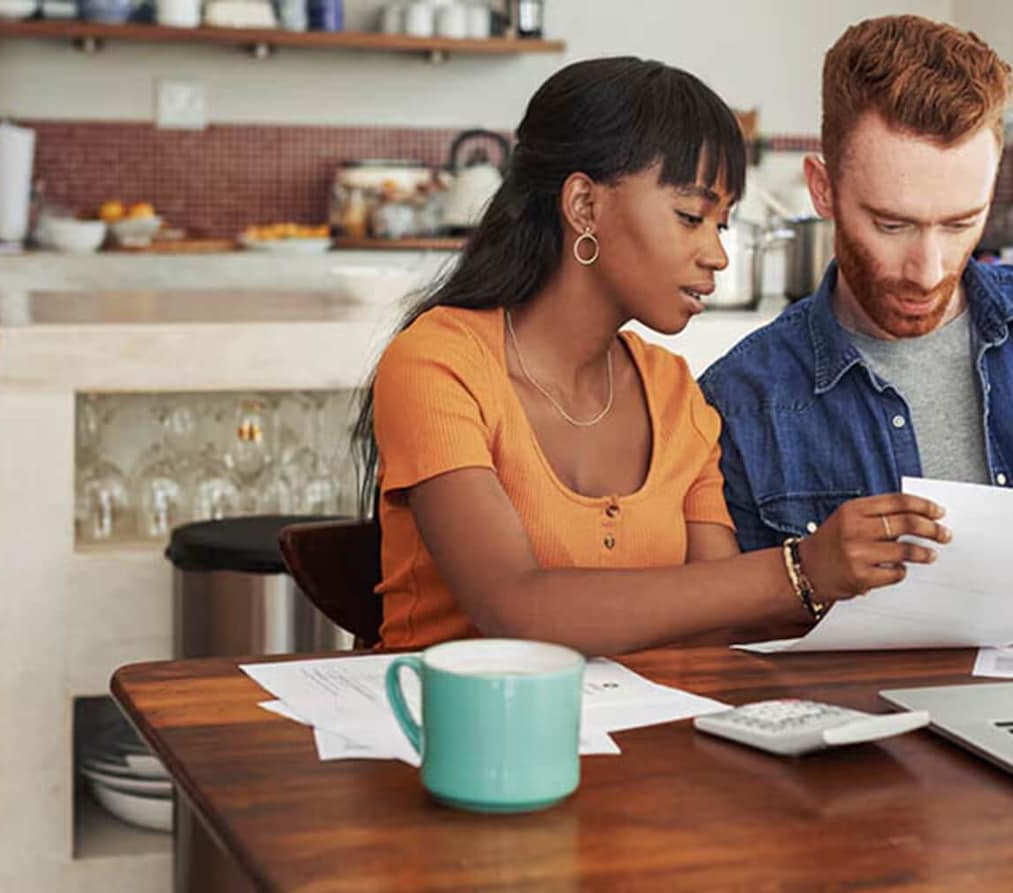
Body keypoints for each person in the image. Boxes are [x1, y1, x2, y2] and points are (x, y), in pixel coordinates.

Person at [353, 57, 962, 656]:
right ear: (584, 205)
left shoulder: (675, 393)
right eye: (691, 216)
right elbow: (516, 609)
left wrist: (944, 612)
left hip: (647, 744)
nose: (717, 255)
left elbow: (722, 618)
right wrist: (801, 569)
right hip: (452, 740)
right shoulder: (439, 364)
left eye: (721, 225)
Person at [699, 16, 1013, 618]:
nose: (927, 268)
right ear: (823, 188)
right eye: (891, 225)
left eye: (959, 223)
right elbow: (740, 647)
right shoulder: (739, 399)